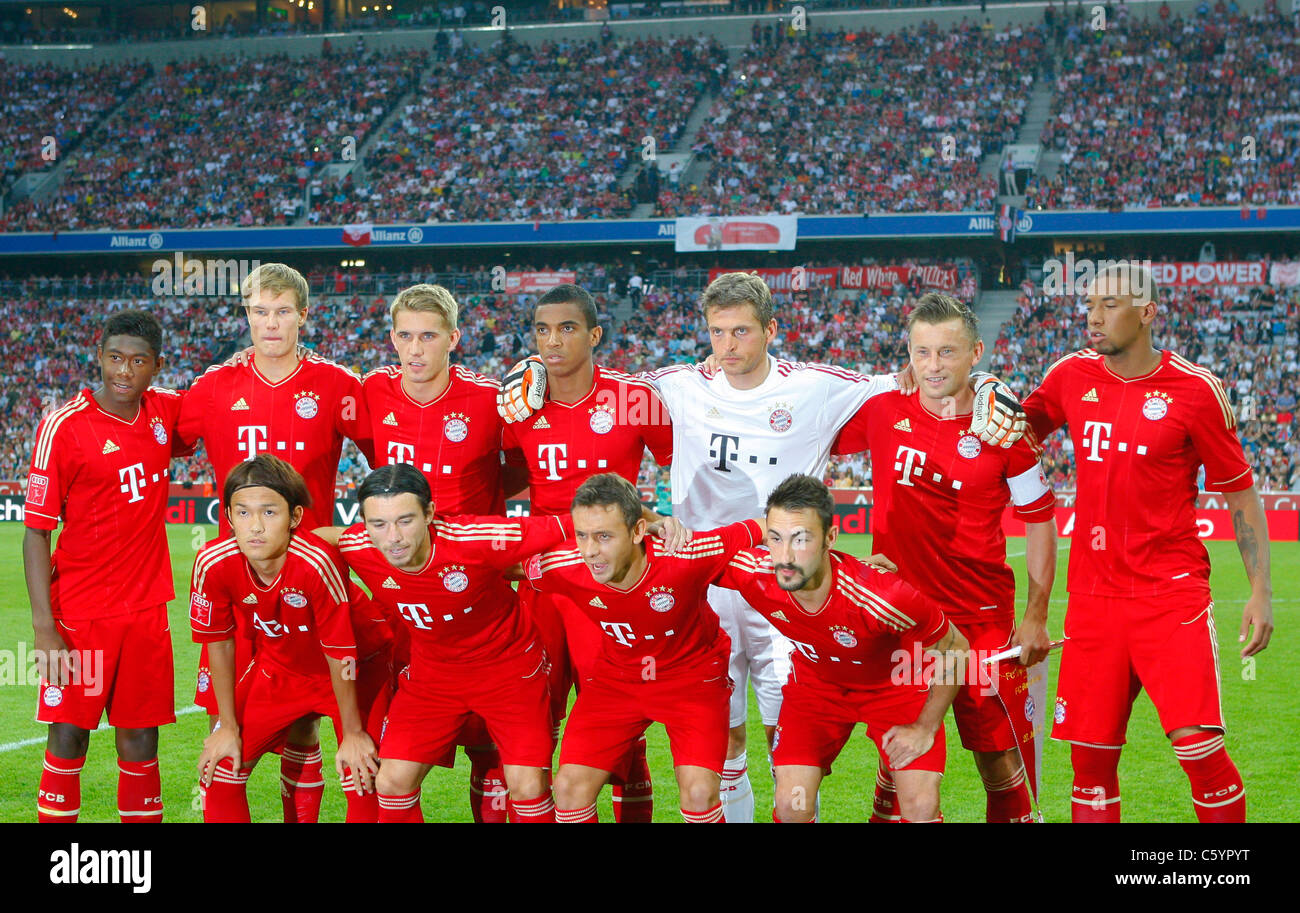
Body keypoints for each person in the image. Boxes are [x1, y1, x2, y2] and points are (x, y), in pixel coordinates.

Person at [1022, 263, 1274, 822]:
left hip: (1170, 595)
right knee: (1089, 765)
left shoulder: (1195, 391)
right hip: (1092, 601)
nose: (1092, 316)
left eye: (1109, 305)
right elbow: (1015, 435)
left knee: (1199, 750)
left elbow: (1241, 497)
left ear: (1148, 313)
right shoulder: (1069, 377)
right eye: (1089, 304)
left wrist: (1259, 591)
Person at [833, 293, 1058, 823]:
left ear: (975, 352)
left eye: (947, 352)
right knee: (900, 758)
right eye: (922, 352)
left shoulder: (1006, 431)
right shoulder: (884, 410)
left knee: (999, 761)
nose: (933, 366)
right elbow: (801, 423)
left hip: (984, 622)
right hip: (901, 620)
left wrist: (1036, 614)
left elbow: (1041, 521)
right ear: (908, 354)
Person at [177, 262, 376, 823]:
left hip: (313, 580)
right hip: (236, 585)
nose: (270, 323)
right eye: (259, 311)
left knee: (311, 715)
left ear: (302, 316)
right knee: (231, 729)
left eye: (282, 311)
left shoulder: (337, 385)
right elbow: (157, 435)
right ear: (246, 314)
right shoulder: (215, 384)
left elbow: (388, 449)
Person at [499, 283, 674, 822]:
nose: (553, 341)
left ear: (595, 334)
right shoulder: (516, 403)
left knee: (620, 724)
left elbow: (682, 467)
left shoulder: (636, 398)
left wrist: (659, 517)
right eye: (542, 329)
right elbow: (494, 485)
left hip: (615, 583)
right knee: (535, 719)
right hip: (545, 584)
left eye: (568, 328)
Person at [318, 464, 573, 823]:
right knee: (391, 782)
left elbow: (583, 518)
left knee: (528, 786)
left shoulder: (477, 537)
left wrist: (652, 520)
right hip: (432, 677)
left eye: (405, 521)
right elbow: (315, 539)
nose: (393, 537)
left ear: (430, 514)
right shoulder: (359, 544)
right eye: (378, 524)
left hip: (509, 670)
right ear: (363, 523)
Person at [714, 474, 971, 822]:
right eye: (775, 538)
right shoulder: (755, 574)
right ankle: (886, 776)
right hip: (817, 691)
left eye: (801, 539)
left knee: (921, 806)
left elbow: (957, 646)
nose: (785, 556)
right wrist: (655, 524)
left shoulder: (882, 596)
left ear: (830, 539)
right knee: (792, 804)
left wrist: (925, 726)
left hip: (895, 688)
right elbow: (687, 552)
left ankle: (891, 778)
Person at [26, 310, 193, 823]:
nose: (125, 371)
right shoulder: (64, 425)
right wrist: (43, 627)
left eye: (138, 361)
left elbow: (214, 407)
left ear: (156, 367)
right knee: (69, 733)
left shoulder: (166, 413)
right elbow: (36, 530)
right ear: (99, 358)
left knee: (142, 737)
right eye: (115, 358)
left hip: (145, 612)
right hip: (80, 612)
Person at [525, 473, 764, 823]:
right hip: (616, 681)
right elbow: (500, 566)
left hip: (692, 681)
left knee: (699, 793)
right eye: (582, 536)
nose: (591, 551)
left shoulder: (684, 554)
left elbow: (762, 524)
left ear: (638, 531)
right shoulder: (564, 565)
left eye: (604, 536)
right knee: (569, 788)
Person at [362, 282, 516, 822]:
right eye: (405, 336)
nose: (416, 349)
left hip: (475, 589)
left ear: (454, 337)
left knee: (488, 742)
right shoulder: (372, 392)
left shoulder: (489, 399)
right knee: (395, 744)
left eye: (428, 336)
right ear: (392, 339)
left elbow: (519, 466)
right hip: (403, 590)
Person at [191, 455, 378, 823]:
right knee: (220, 769)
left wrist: (354, 733)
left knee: (366, 775)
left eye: (269, 513)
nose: (255, 526)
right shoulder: (211, 563)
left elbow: (341, 654)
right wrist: (227, 725)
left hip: (356, 671)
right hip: (282, 670)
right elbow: (220, 642)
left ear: (294, 517)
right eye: (242, 513)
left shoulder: (316, 562)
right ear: (227, 517)